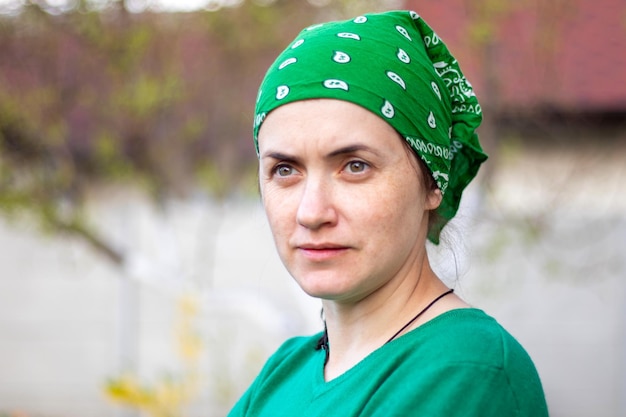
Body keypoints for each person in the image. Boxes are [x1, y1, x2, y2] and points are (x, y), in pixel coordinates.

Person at [228, 10, 549, 417]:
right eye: (285, 170)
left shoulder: (465, 370)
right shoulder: (284, 372)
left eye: (355, 166)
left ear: (433, 183)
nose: (311, 212)